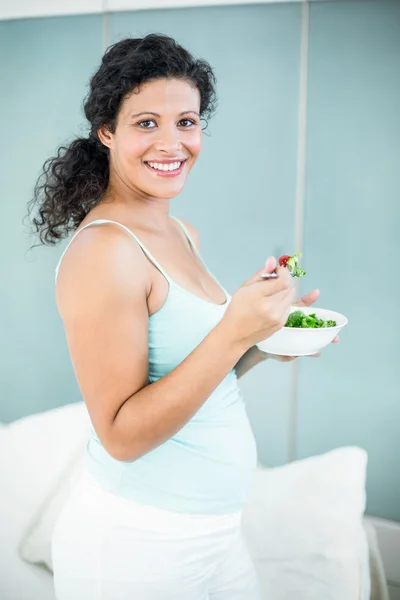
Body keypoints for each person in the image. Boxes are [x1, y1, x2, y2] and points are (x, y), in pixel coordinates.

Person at [28, 33, 336, 600]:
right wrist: (231, 331)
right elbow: (120, 433)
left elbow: (195, 374)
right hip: (136, 544)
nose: (172, 142)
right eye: (147, 123)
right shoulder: (105, 252)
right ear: (107, 133)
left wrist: (264, 340)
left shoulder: (180, 232)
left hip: (216, 532)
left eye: (187, 122)